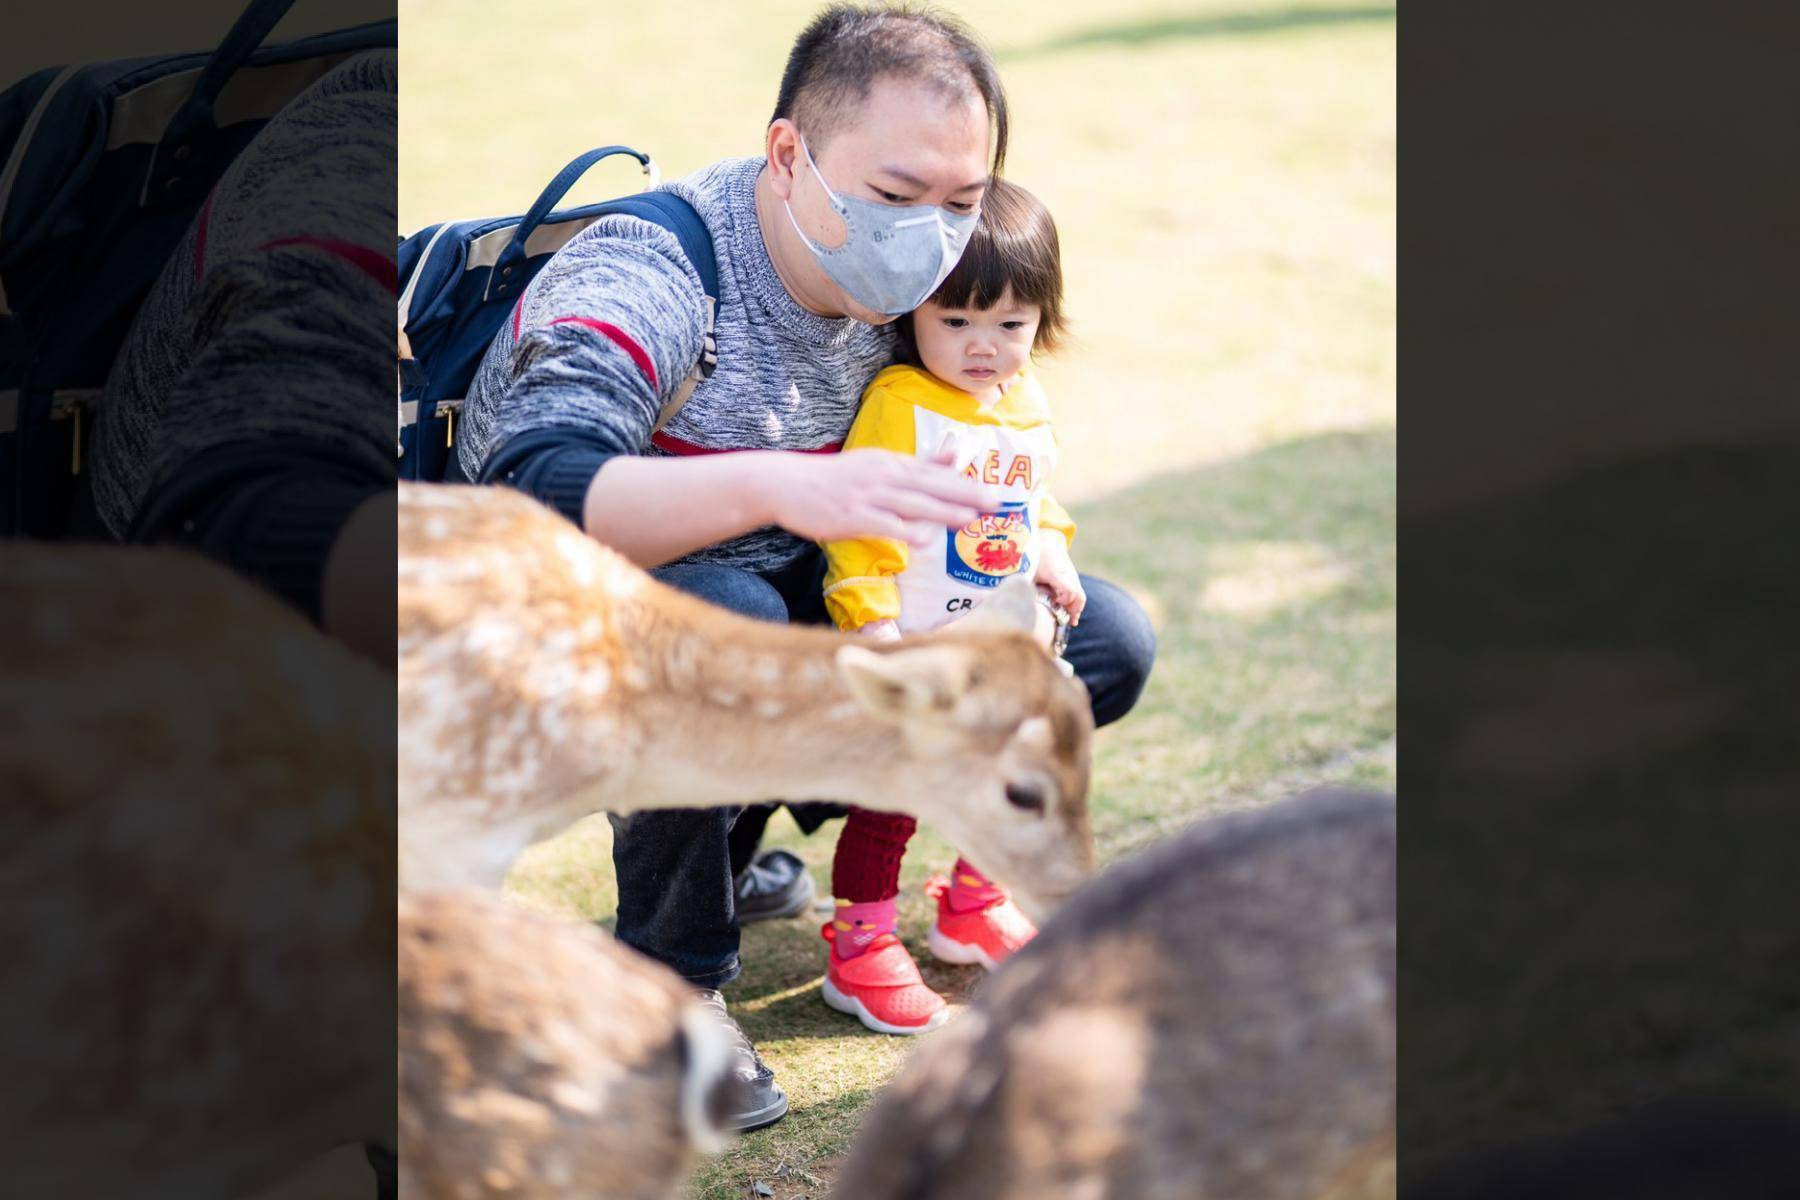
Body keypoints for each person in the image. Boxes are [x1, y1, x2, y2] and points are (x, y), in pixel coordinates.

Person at [458, 2, 1155, 1131]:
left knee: (1097, 644)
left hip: (832, 603)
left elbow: (981, 439)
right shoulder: (656, 267)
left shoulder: (913, 286)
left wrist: (1028, 564)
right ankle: (666, 988)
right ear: (791, 154)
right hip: (587, 623)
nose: (930, 236)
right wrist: (780, 482)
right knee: (724, 608)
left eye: (962, 201)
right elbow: (531, 493)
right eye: (893, 196)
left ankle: (729, 848)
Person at [816, 177, 1080, 1035]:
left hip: (1001, 648)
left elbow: (1037, 501)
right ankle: (858, 947)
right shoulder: (902, 406)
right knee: (893, 795)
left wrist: (1055, 554)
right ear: (912, 315)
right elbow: (859, 530)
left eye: (1011, 325)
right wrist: (878, 631)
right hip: (920, 644)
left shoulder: (1026, 405)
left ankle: (972, 904)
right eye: (956, 321)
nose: (984, 347)